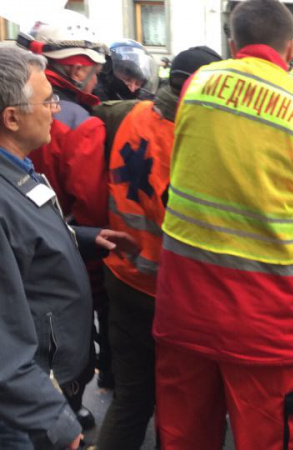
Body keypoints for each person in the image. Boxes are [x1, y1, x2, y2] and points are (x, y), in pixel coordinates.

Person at [152, 1, 293, 448]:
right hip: (267, 323)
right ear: (292, 49)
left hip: (185, 306)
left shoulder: (196, 86)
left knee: (183, 437)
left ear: (232, 44)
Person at [0, 45, 136, 450]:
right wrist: (54, 421)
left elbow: (25, 242)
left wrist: (86, 239)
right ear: (11, 118)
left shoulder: (19, 169)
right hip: (22, 415)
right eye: (47, 101)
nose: (56, 109)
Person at [96, 46, 222, 450]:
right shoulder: (188, 139)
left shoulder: (134, 115)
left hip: (123, 273)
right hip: (168, 293)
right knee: (182, 407)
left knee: (132, 399)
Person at [16, 8, 112, 429]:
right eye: (92, 72)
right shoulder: (80, 123)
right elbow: (90, 201)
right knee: (67, 341)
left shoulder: (23, 105)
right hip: (63, 247)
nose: (95, 81)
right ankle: (66, 414)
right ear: (76, 68)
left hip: (26, 243)